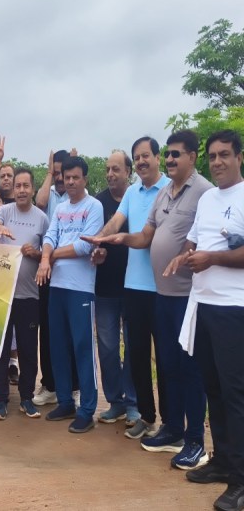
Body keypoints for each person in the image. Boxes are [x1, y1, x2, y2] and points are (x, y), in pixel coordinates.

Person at [88, 131, 213, 468]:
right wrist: (115, 238)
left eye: (174, 154)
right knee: (166, 363)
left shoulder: (203, 191)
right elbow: (145, 236)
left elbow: (204, 238)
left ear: (192, 157)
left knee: (189, 367)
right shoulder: (165, 194)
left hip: (186, 293)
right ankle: (171, 428)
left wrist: (186, 254)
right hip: (161, 293)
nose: (170, 159)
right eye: (169, 154)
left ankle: (194, 440)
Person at [165, 129, 244, 511]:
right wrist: (185, 254)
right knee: (213, 388)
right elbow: (195, 239)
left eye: (224, 154)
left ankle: (241, 480)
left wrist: (211, 259)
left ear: (239, 157)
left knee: (235, 394)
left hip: (234, 308)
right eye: (213, 156)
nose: (218, 162)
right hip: (203, 304)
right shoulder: (209, 198)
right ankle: (223, 461)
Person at [89, 136, 170, 440]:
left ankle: (169, 422)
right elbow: (117, 222)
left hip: (163, 286)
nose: (141, 161)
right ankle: (144, 416)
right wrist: (99, 238)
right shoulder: (133, 193)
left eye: (145, 156)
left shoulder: (170, 189)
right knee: (135, 354)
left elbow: (146, 236)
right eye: (138, 157)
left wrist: (116, 238)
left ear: (158, 157)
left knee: (164, 357)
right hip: (131, 284)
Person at [36, 157, 103, 434]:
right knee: (58, 346)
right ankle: (65, 402)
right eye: (67, 177)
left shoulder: (93, 206)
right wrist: (45, 256)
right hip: (57, 287)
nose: (71, 182)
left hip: (81, 289)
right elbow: (49, 237)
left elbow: (85, 246)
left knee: (83, 348)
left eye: (76, 177)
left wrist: (49, 256)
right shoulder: (61, 208)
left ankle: (87, 410)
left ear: (85, 179)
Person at [0, 168, 49, 420]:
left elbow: (48, 252)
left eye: (26, 186)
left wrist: (36, 254)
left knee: (27, 350)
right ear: (13, 189)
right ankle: (1, 399)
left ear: (33, 189)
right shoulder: (4, 211)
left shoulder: (42, 218)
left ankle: (26, 398)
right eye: (17, 186)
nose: (21, 190)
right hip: (2, 295)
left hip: (29, 296)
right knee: (1, 349)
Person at [91, 150, 138, 426]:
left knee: (133, 347)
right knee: (108, 347)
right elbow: (94, 240)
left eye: (116, 169)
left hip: (134, 287)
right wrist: (96, 252)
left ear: (128, 172)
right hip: (105, 287)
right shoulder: (98, 203)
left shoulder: (139, 199)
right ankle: (115, 401)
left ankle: (133, 402)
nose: (110, 174)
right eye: (108, 169)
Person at [32, 148, 75, 406]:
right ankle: (49, 384)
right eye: (57, 173)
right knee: (47, 331)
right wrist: (49, 172)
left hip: (71, 271)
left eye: (63, 173)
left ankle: (73, 387)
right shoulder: (49, 195)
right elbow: (39, 202)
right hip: (46, 269)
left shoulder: (77, 197)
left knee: (71, 332)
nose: (60, 178)